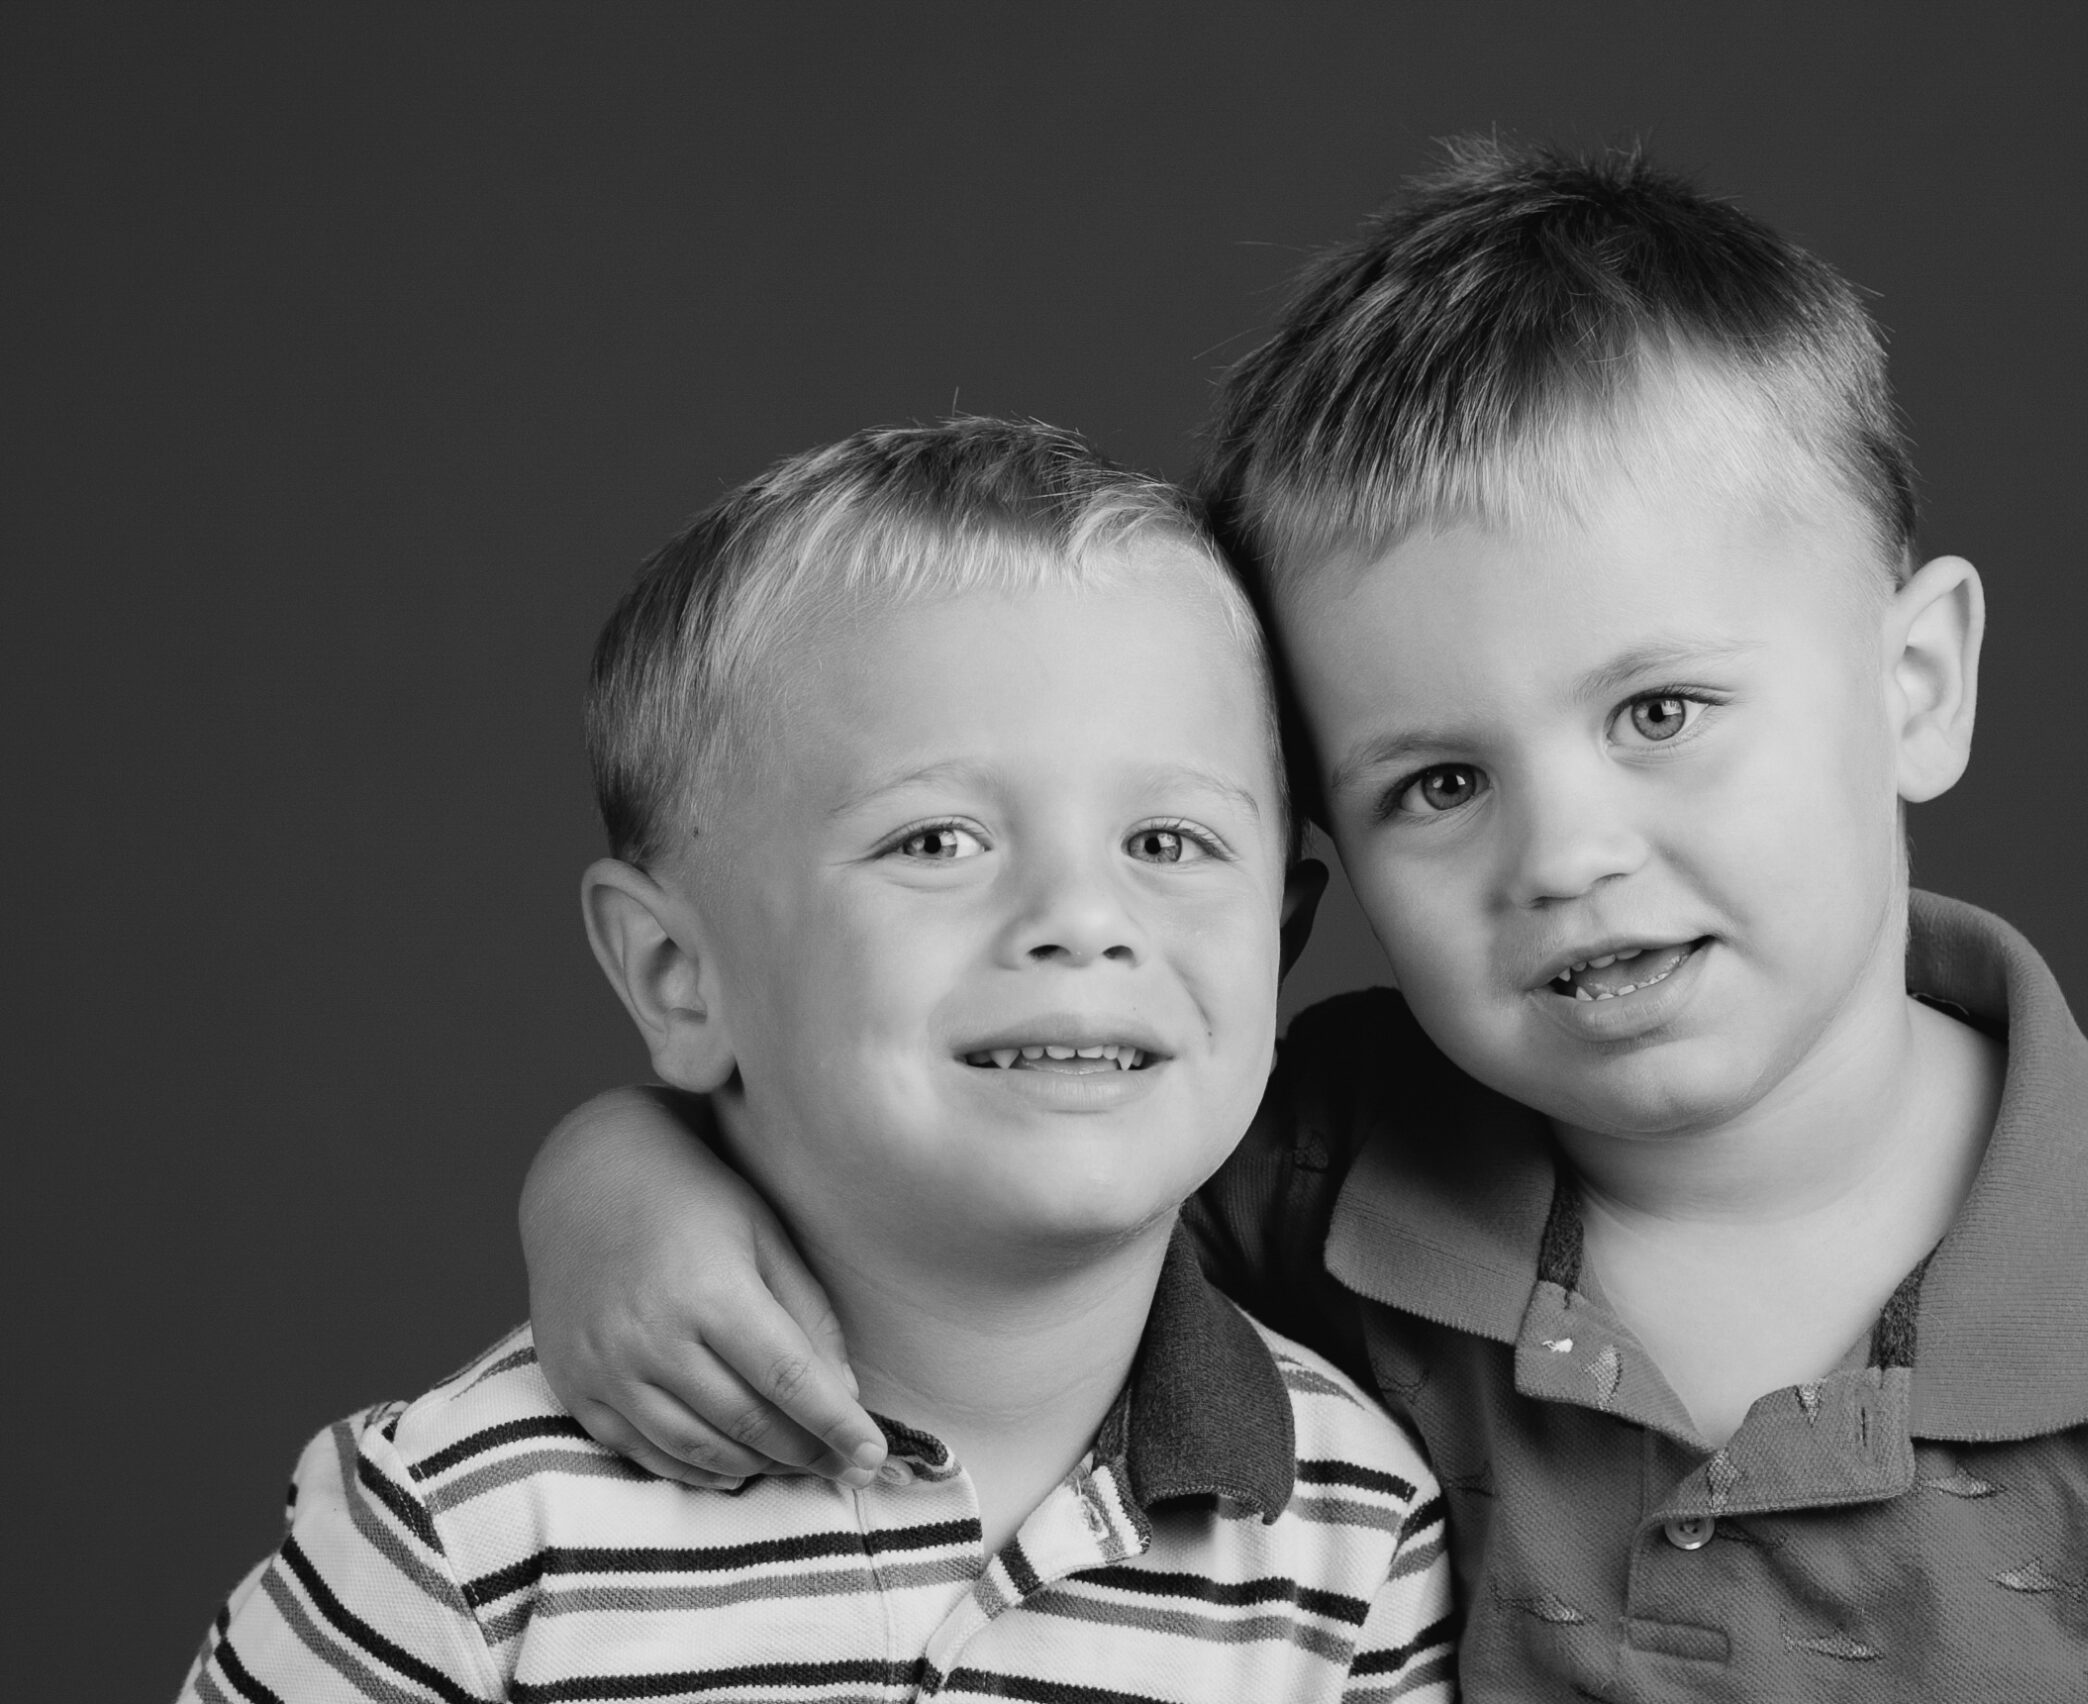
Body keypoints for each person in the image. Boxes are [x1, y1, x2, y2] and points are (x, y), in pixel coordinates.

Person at [516, 144, 2088, 1699]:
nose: (1565, 851)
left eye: (1659, 713)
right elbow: (945, 1194)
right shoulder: (1309, 1165)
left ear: (1914, 684)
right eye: (1438, 783)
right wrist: (619, 1181)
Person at [181, 419, 1456, 1704]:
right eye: (936, 841)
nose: (1083, 917)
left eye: (1168, 842)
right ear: (677, 974)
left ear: (1278, 939)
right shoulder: (468, 1530)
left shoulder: (1355, 1545)